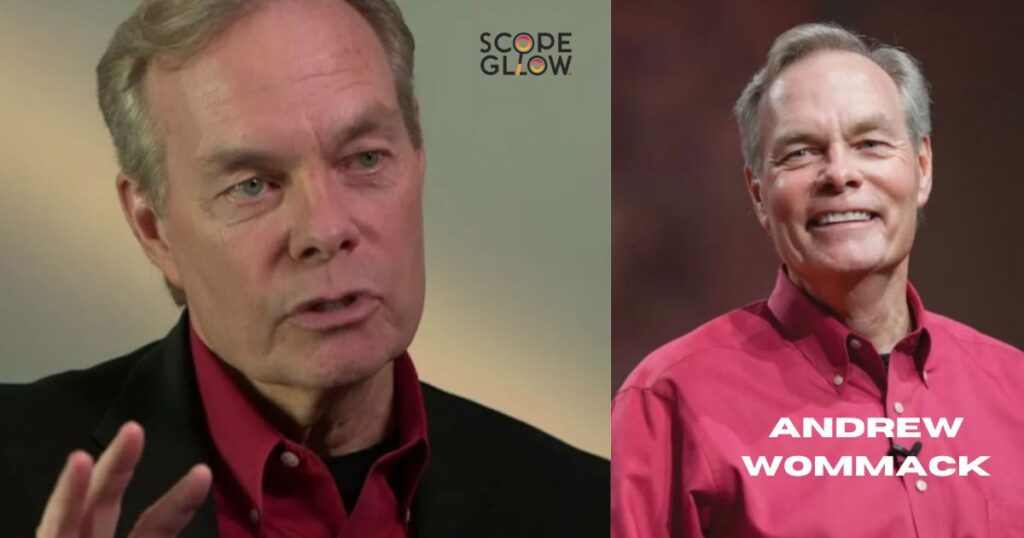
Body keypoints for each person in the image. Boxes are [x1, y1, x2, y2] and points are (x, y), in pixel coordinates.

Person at [0, 0, 607, 536]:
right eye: (252, 186)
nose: (325, 229)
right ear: (153, 228)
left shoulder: (588, 508)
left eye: (366, 158)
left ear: (418, 159)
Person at [611, 23, 1024, 537]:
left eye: (870, 143)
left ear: (922, 167)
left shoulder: (1015, 391)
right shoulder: (670, 401)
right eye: (801, 152)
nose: (839, 173)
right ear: (759, 192)